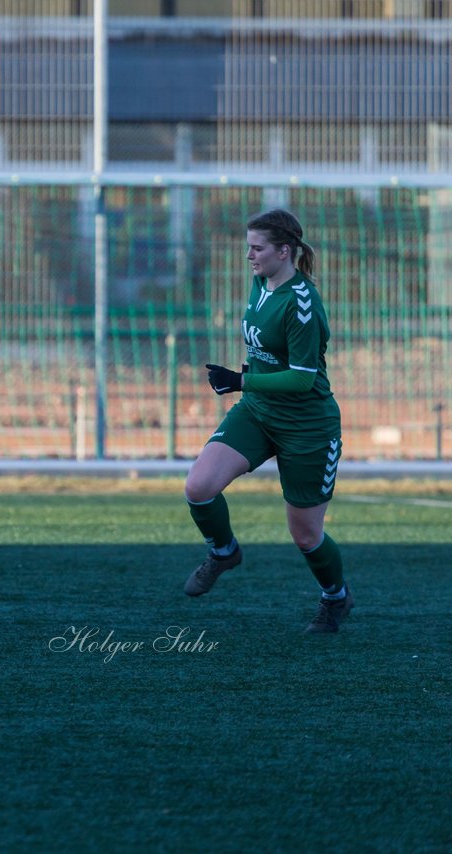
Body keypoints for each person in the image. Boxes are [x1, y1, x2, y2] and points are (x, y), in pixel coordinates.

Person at [183, 209, 349, 632]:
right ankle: (223, 552)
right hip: (259, 413)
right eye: (249, 247)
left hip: (307, 427)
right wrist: (246, 379)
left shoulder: (303, 305)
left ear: (284, 251)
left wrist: (241, 380)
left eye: (257, 248)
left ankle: (336, 598)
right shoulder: (261, 282)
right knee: (199, 487)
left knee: (306, 537)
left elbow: (301, 379)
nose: (249, 256)